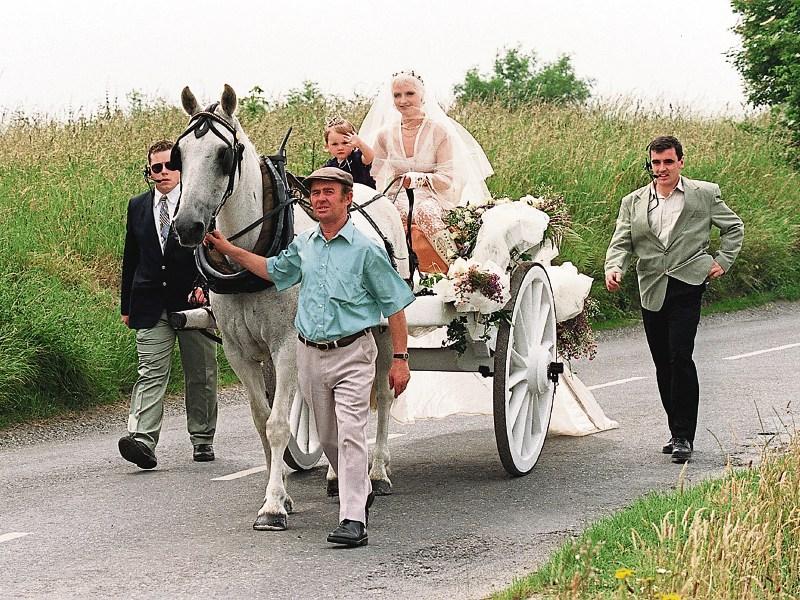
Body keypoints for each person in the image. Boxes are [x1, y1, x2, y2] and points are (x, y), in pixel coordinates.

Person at [204, 167, 414, 547]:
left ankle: (353, 519)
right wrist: (231, 251)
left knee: (351, 433)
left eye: (329, 192)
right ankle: (357, 483)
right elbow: (271, 270)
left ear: (347, 198)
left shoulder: (366, 249)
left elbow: (396, 304)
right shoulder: (305, 246)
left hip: (353, 352)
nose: (320, 199)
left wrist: (399, 357)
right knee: (330, 436)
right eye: (315, 193)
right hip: (310, 356)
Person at [604, 136, 744, 463]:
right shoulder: (633, 202)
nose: (662, 169)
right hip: (651, 285)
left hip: (688, 282)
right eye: (656, 163)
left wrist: (722, 261)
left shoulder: (705, 194)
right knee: (662, 362)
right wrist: (614, 268)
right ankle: (675, 429)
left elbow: (734, 228)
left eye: (668, 162)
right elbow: (621, 242)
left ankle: (684, 436)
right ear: (649, 165)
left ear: (681, 161)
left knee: (681, 356)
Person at [119, 140, 219, 470]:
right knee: (150, 372)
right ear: (149, 172)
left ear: (181, 169)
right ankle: (142, 440)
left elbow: (215, 252)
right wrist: (126, 305)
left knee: (200, 373)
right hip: (149, 302)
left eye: (168, 166)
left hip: (192, 302)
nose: (162, 173)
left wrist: (208, 288)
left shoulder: (201, 205)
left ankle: (203, 438)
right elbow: (130, 257)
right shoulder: (137, 206)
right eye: (155, 168)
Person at [359, 71, 493, 265]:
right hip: (397, 195)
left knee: (423, 211)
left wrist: (419, 179)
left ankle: (456, 266)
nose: (403, 100)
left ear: (422, 96)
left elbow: (447, 180)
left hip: (435, 196)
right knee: (386, 213)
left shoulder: (439, 131)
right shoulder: (384, 135)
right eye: (397, 95)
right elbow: (372, 175)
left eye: (409, 93)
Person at [323, 116, 376, 188]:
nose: (340, 148)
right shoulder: (330, 165)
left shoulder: (357, 157)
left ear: (353, 142)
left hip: (365, 195)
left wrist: (360, 143)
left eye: (345, 143)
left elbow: (370, 157)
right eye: (334, 144)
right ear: (327, 146)